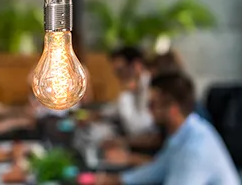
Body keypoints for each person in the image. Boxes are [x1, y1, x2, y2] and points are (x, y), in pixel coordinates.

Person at [99, 72, 240, 185]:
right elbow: (160, 168)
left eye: (152, 104)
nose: (148, 110)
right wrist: (117, 180)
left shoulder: (194, 149)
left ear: (172, 109)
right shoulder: (186, 132)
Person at [108, 47, 153, 136]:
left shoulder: (151, 86)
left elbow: (135, 128)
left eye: (120, 71)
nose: (119, 76)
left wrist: (125, 95)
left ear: (136, 65)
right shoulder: (137, 87)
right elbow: (113, 110)